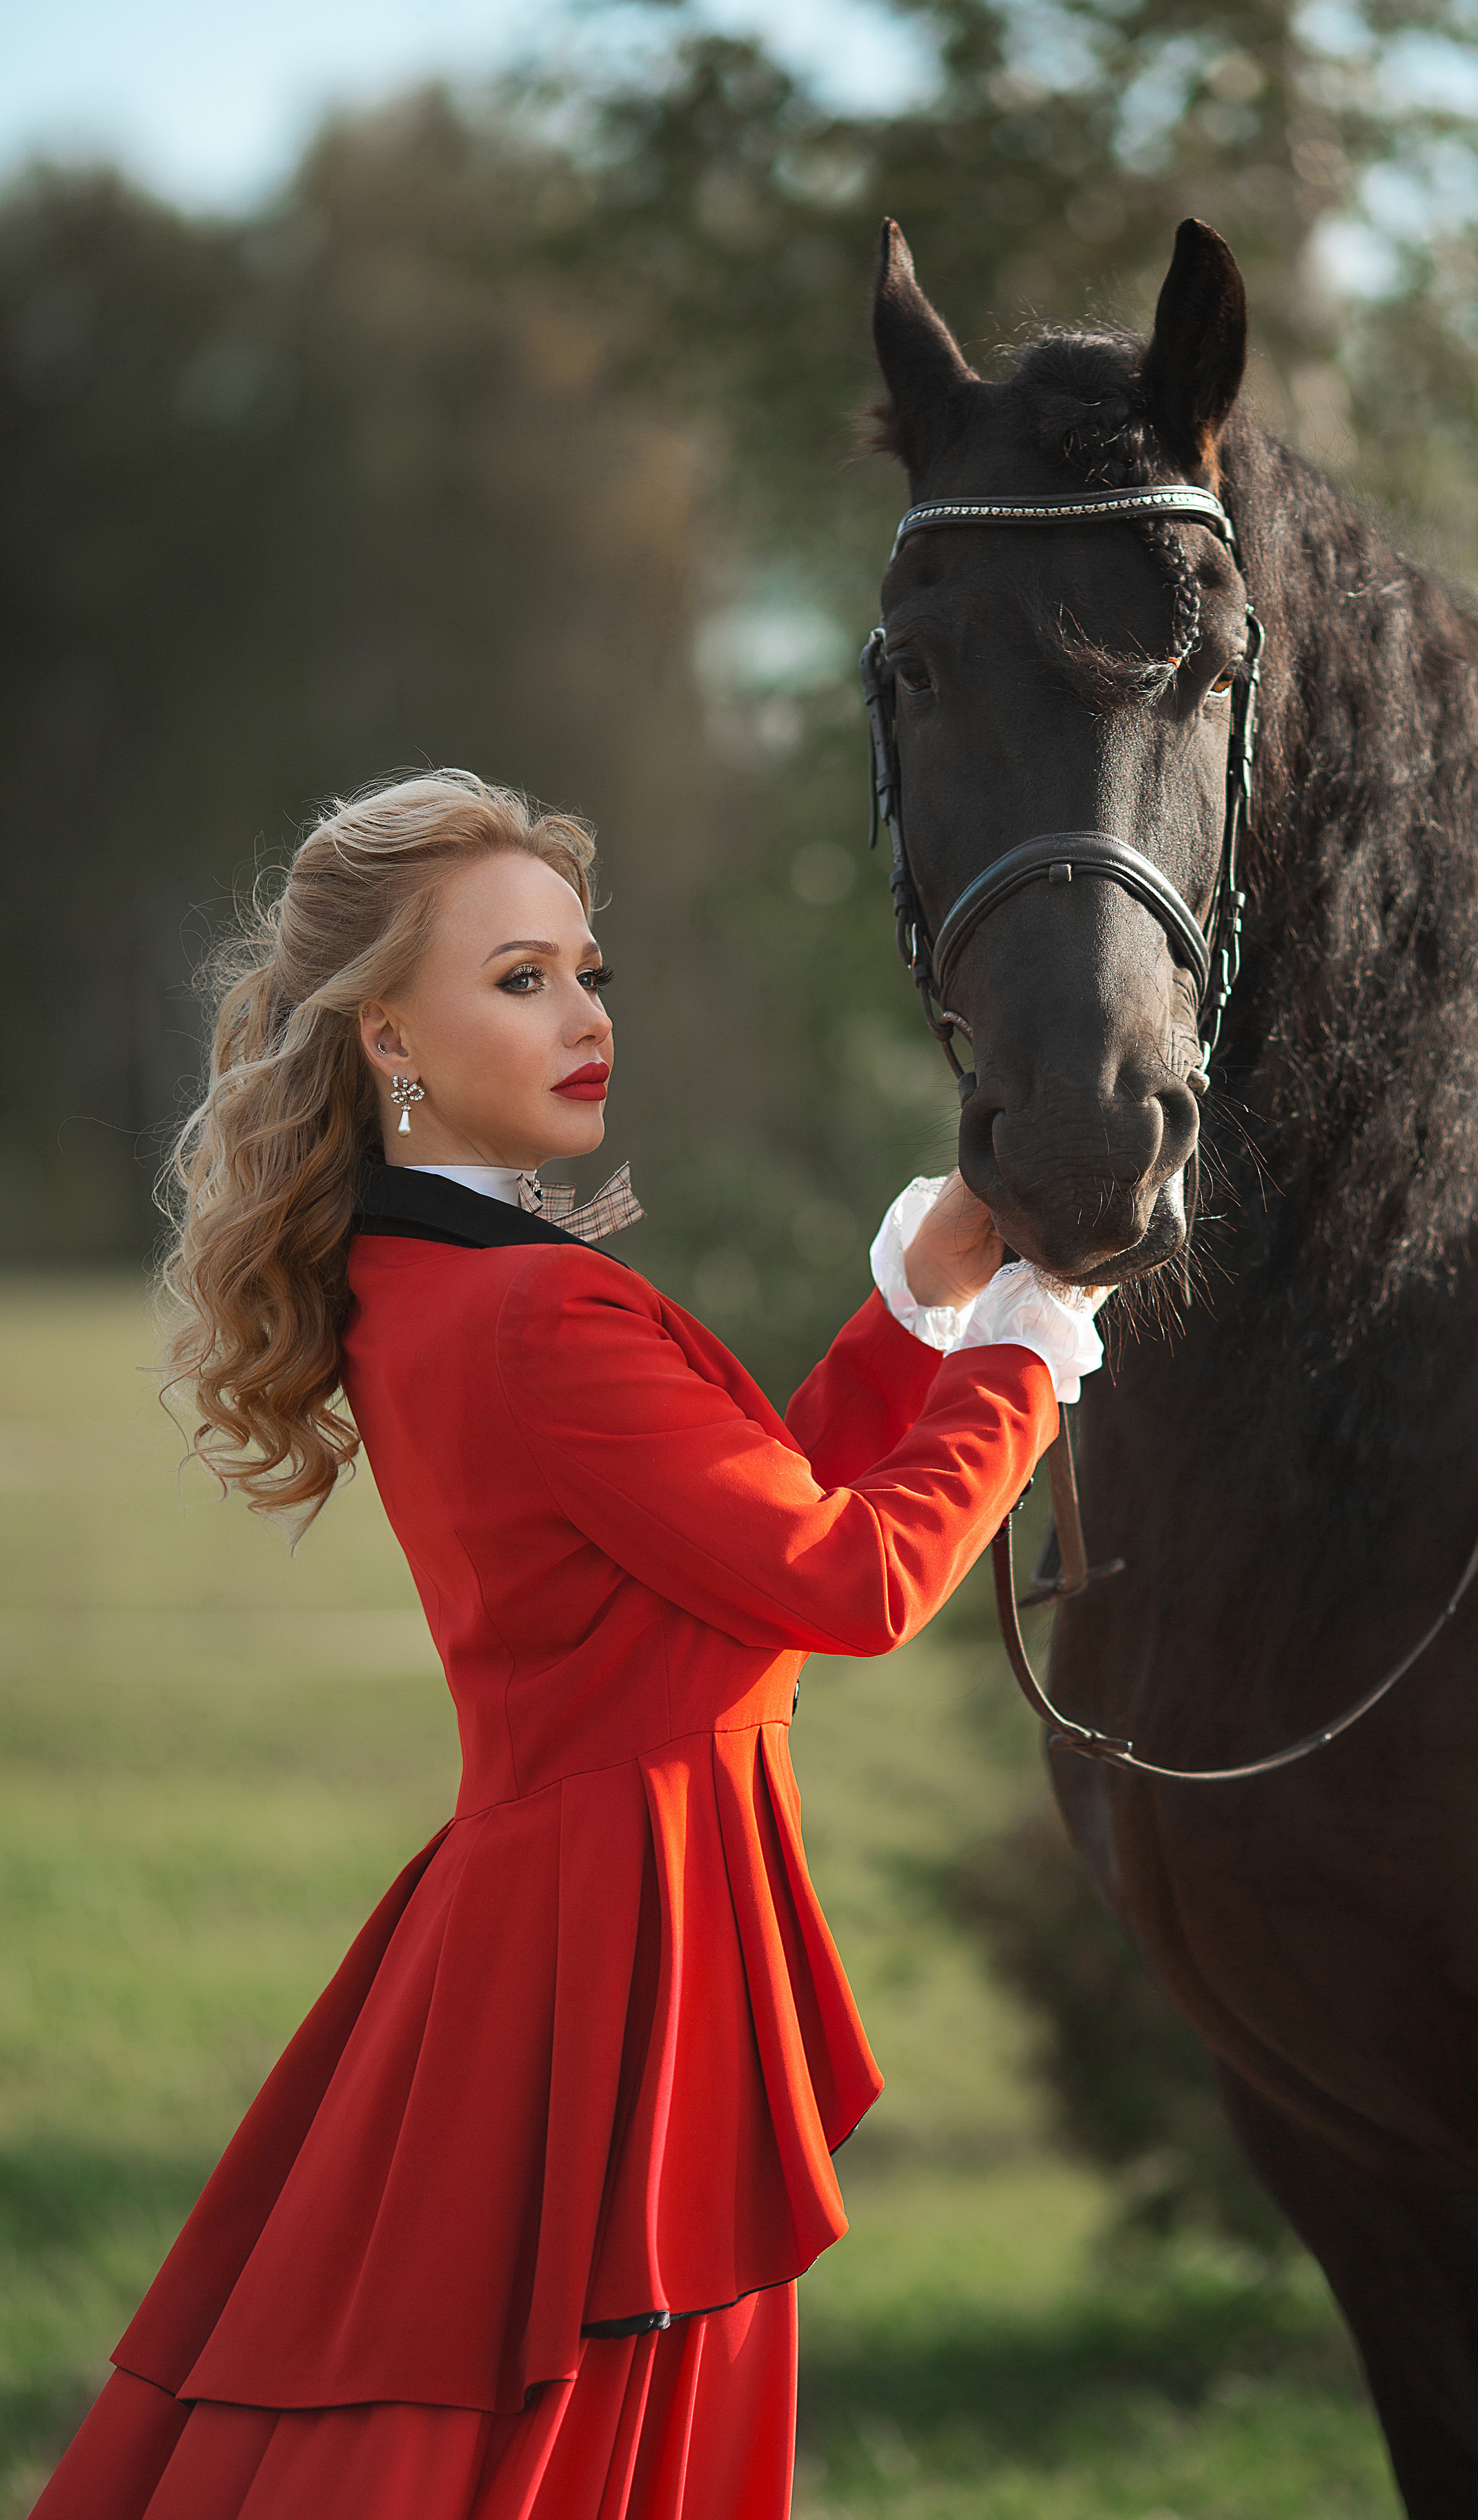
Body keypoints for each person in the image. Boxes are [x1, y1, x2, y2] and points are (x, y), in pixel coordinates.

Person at [36, 770, 1109, 2520]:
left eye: (587, 973)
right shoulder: (536, 1308)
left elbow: (727, 1545)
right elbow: (846, 1588)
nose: (585, 1017)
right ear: (388, 1033)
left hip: (572, 1903)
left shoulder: (441, 1280)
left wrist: (913, 1319)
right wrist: (1024, 1354)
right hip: (619, 1939)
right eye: (518, 980)